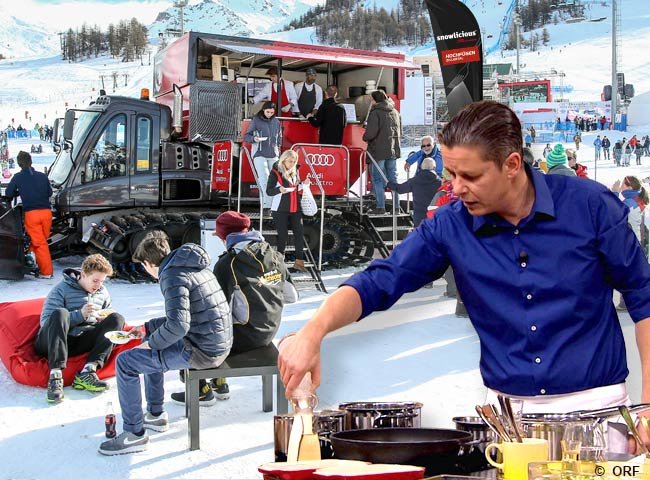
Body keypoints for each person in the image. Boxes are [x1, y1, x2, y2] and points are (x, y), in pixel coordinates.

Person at [277, 100, 650, 425]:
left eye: (470, 176)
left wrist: (648, 406)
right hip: (507, 418)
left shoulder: (590, 205)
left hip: (598, 409)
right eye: (451, 174)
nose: (456, 188)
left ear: (512, 164)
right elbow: (382, 280)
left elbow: (644, 298)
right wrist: (313, 331)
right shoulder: (450, 224)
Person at [98, 234, 232, 455]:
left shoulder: (170, 275)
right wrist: (146, 329)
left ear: (148, 263)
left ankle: (134, 435)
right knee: (150, 341)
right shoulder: (190, 266)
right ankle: (156, 414)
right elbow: (188, 317)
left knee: (125, 362)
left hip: (203, 350)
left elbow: (179, 326)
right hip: (214, 341)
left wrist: (150, 344)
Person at [170, 211, 297, 406]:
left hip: (244, 337)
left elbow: (215, 311)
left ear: (225, 237)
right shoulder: (275, 255)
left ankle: (201, 390)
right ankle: (220, 383)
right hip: (270, 331)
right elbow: (292, 296)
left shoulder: (227, 263)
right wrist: (265, 287)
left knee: (190, 332)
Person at [36, 254, 124, 403]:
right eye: (95, 281)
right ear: (83, 274)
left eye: (102, 281)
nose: (98, 286)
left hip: (83, 340)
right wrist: (80, 315)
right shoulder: (61, 289)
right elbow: (46, 322)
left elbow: (108, 312)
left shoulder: (102, 292)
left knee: (117, 318)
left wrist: (103, 319)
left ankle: (88, 371)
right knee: (60, 313)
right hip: (55, 341)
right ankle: (55, 377)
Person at [4, 150, 53, 278]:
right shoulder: (42, 176)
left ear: (19, 164)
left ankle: (46, 272)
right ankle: (30, 262)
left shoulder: (18, 177)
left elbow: (8, 194)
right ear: (31, 161)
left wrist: (19, 191)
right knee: (40, 240)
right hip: (47, 213)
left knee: (39, 243)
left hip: (32, 214)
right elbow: (49, 193)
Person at [267, 150, 310, 272]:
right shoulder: (275, 172)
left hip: (295, 208)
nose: (293, 164)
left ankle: (299, 262)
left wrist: (304, 184)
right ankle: (280, 262)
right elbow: (269, 191)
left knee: (299, 234)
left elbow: (296, 188)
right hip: (280, 209)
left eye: (294, 161)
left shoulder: (295, 171)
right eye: (290, 161)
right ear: (284, 160)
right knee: (283, 236)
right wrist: (279, 190)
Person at [363, 90, 401, 214]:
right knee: (393, 179)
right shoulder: (395, 112)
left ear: (375, 100)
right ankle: (396, 207)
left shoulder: (376, 113)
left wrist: (365, 134)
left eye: (371, 99)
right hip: (393, 151)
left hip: (378, 151)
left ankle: (380, 207)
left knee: (378, 179)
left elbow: (370, 134)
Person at [244, 101, 282, 215]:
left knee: (275, 180)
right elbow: (247, 136)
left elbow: (279, 137)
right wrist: (254, 139)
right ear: (263, 110)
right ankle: (266, 206)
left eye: (271, 112)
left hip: (273, 154)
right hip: (259, 153)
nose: (269, 114)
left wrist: (278, 150)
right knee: (264, 178)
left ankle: (273, 206)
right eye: (267, 111)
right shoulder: (256, 120)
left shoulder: (276, 121)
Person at [388, 157, 441, 227]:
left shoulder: (415, 180)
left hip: (419, 216)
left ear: (421, 167)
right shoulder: (440, 182)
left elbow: (400, 189)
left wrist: (389, 184)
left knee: (420, 236)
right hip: (435, 215)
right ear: (434, 168)